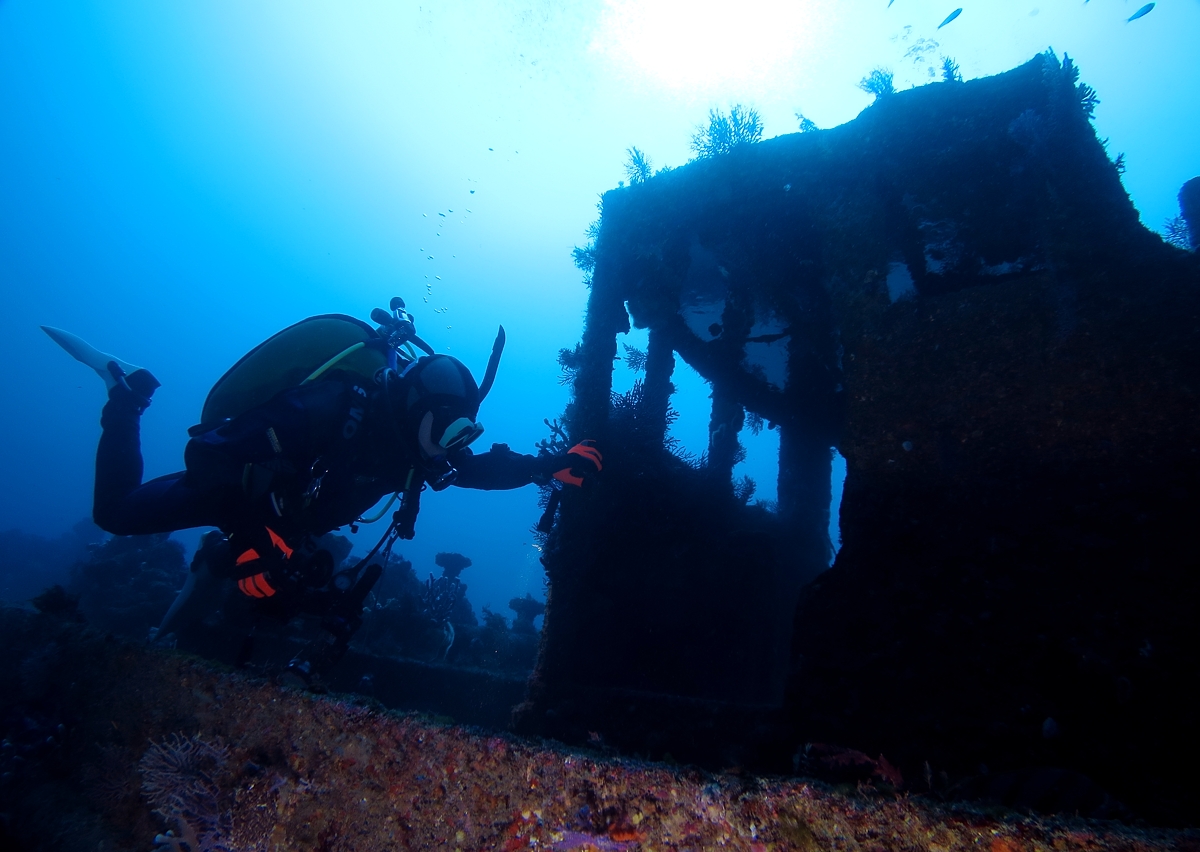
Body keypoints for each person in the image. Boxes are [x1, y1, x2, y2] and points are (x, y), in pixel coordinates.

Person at [43, 299, 601, 679]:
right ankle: (125, 393)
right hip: (237, 488)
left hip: (288, 523)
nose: (450, 451)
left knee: (261, 580)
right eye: (448, 432)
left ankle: (182, 620)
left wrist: (546, 465)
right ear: (416, 412)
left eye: (463, 435)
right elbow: (209, 451)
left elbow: (474, 469)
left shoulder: (418, 446)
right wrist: (254, 531)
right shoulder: (330, 407)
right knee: (115, 514)